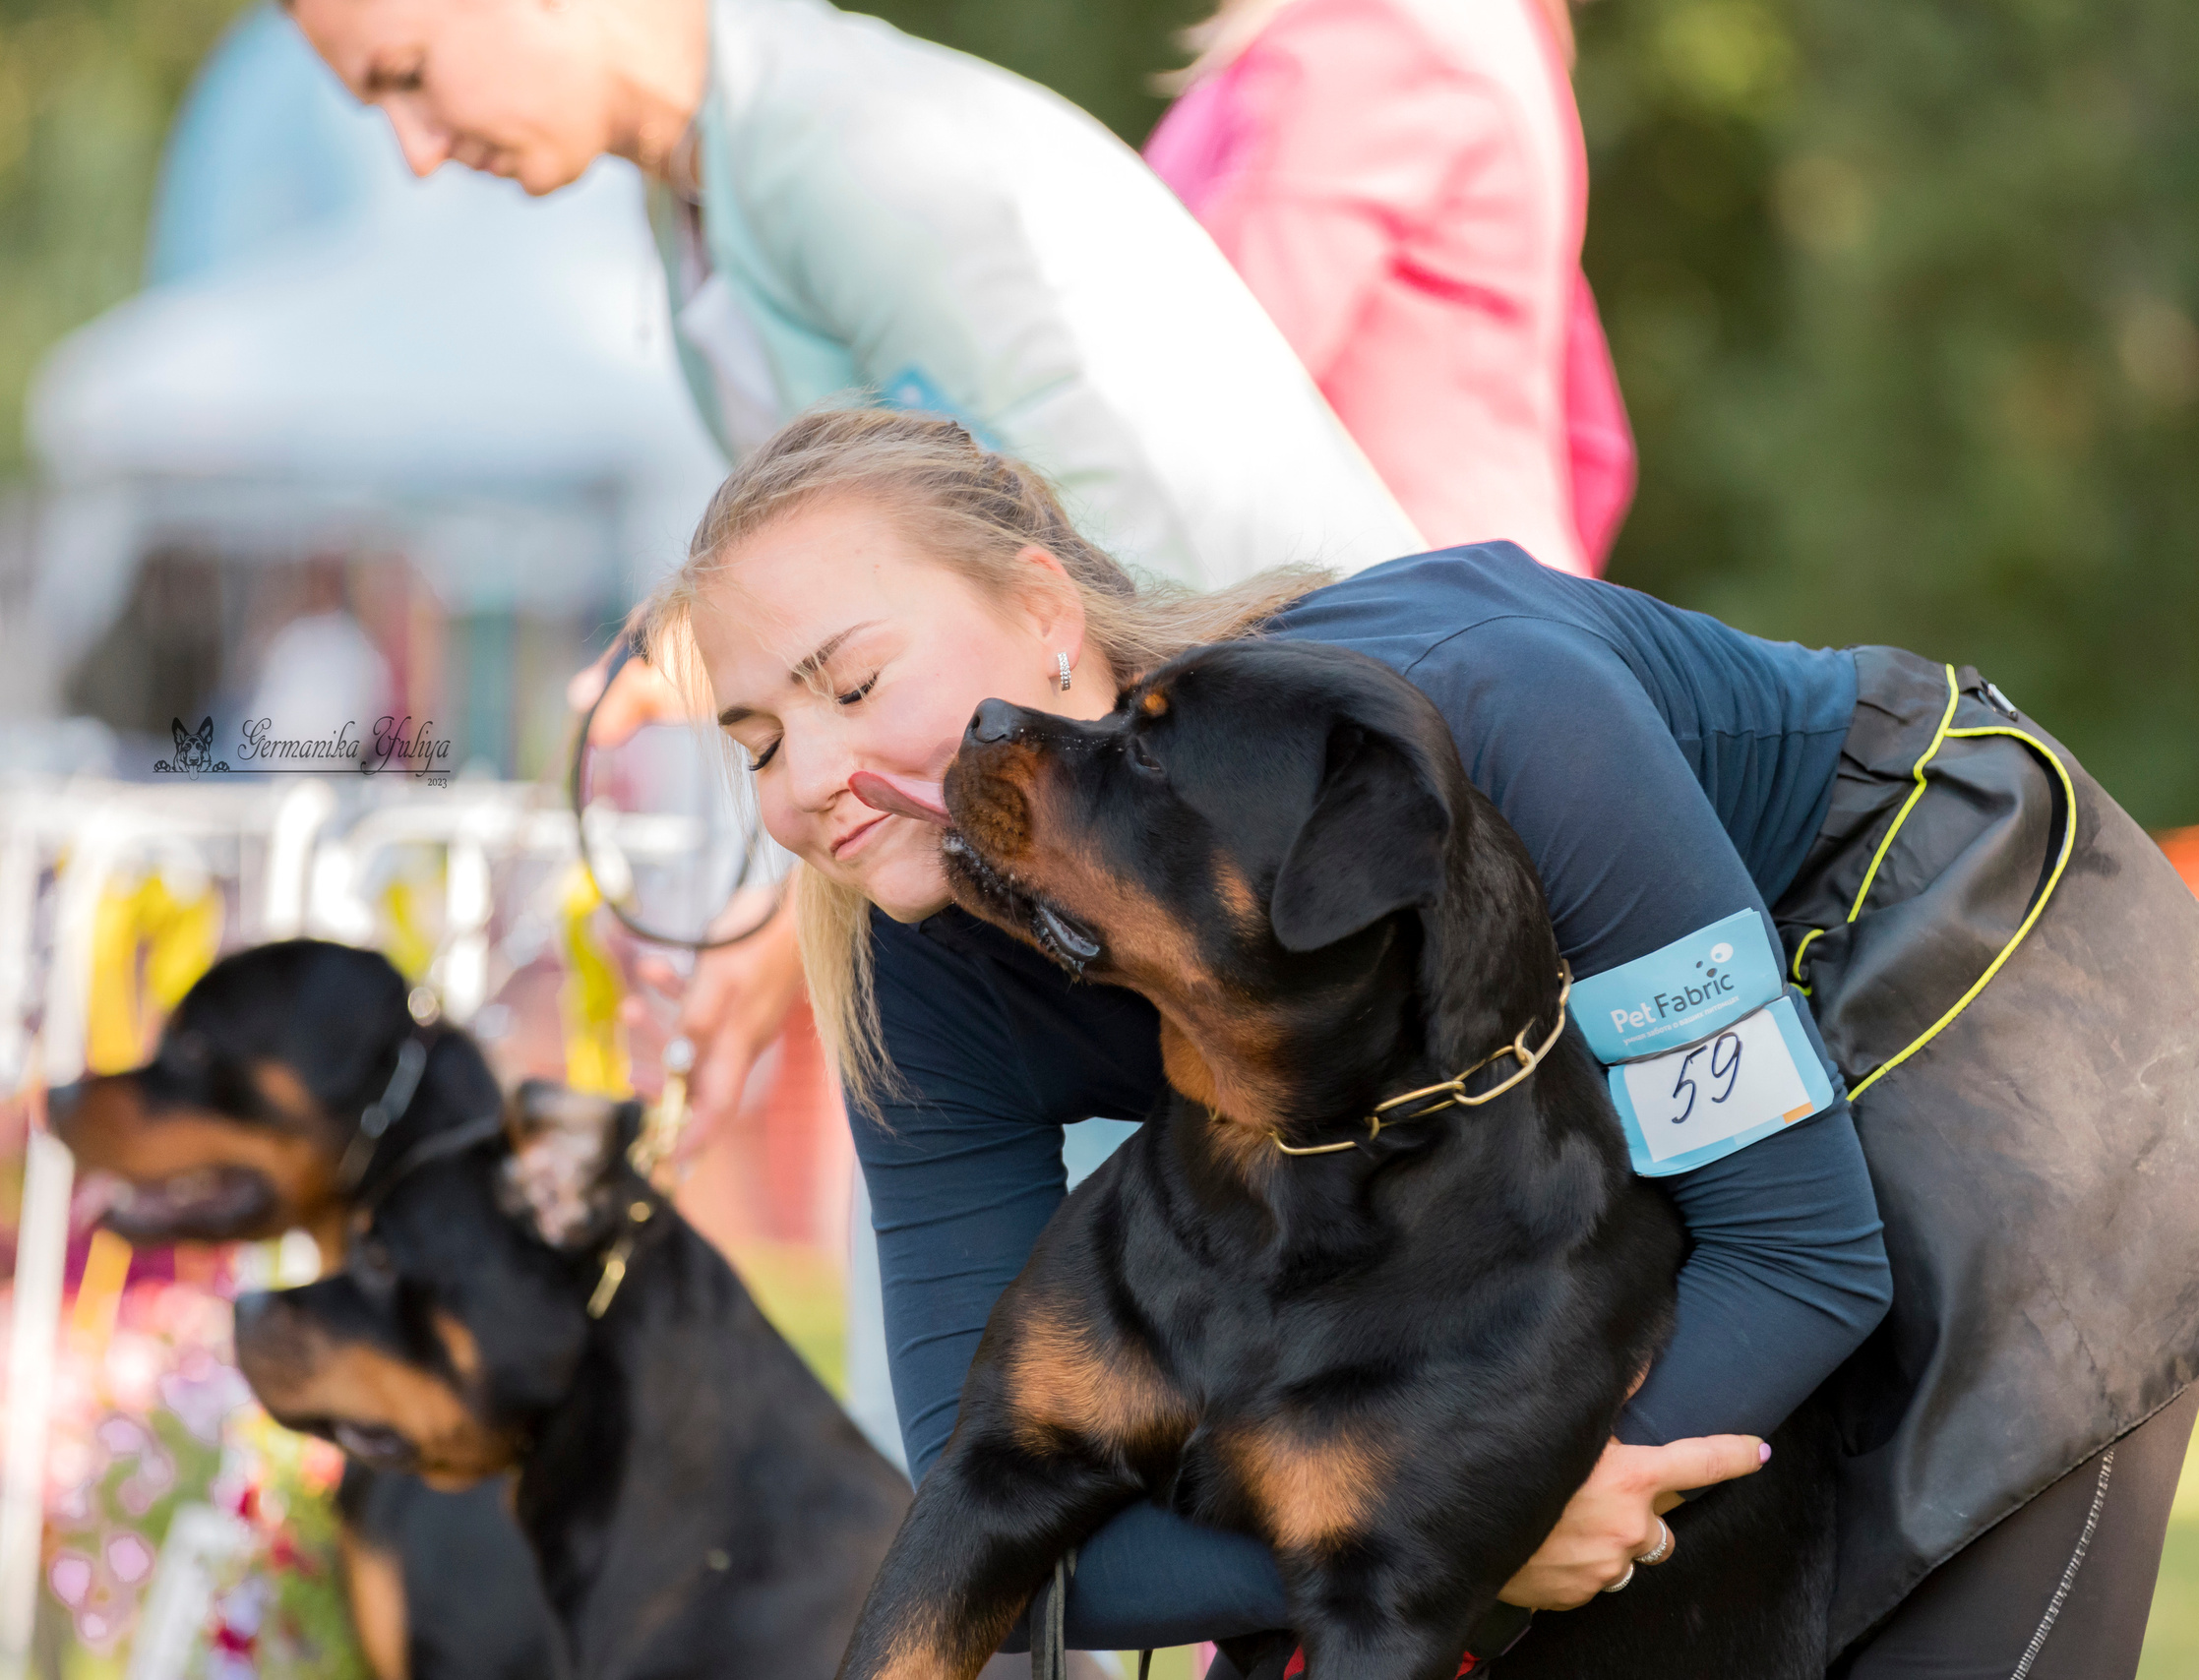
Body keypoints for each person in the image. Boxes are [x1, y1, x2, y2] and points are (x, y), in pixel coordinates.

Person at [642, 407, 2199, 1676]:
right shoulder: (921, 968)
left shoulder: (1465, 720)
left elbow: (1799, 1244)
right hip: (1623, 1148)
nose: (803, 778)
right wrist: (1441, 1527)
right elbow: (1007, 1506)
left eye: (852, 684)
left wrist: (1499, 1510)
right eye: (747, 736)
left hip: (1938, 949)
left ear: (1045, 612)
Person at [285, 0, 1426, 1141]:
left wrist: (809, 907)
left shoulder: (853, 153)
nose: (416, 150)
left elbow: (1110, 557)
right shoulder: (712, 184)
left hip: (1307, 877)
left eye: (409, 75)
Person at [1145, 0, 1634, 576]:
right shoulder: (1495, 35)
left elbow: (1207, 380)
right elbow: (1592, 443)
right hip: (1467, 604)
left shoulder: (1379, 31)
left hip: (1388, 620)